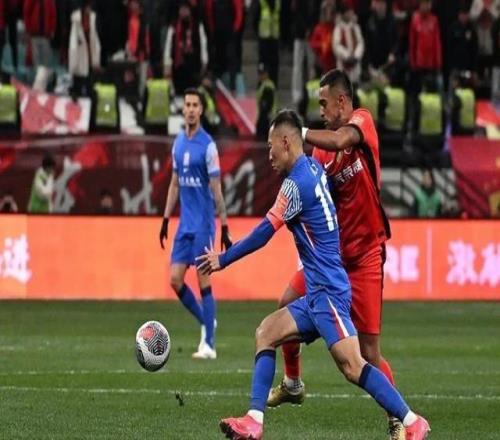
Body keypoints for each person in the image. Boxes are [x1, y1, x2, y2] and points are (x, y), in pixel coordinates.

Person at [196, 109, 430, 440]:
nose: (269, 155)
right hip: (318, 291)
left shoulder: (295, 185)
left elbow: (264, 233)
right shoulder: (314, 168)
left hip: (328, 292)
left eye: (270, 147)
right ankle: (254, 420)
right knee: (266, 332)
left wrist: (223, 259)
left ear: (286, 142)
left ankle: (412, 421)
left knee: (354, 365)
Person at [266, 69, 404, 439]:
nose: (322, 111)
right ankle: (293, 383)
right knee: (285, 304)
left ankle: (398, 420)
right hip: (331, 261)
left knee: (369, 352)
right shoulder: (320, 152)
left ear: (342, 101)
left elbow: (343, 138)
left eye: (324, 104)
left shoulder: (362, 123)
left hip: (366, 257)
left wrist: (298, 131)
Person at [159, 87, 232, 360]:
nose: (190, 109)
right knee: (175, 280)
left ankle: (209, 345)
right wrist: (165, 219)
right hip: (184, 225)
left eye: (194, 105)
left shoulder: (208, 146)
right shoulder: (178, 143)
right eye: (187, 104)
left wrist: (224, 225)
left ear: (201, 110)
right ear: (183, 109)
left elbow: (216, 189)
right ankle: (207, 321)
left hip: (203, 224)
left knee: (204, 281)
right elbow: (174, 183)